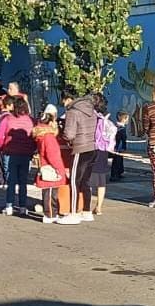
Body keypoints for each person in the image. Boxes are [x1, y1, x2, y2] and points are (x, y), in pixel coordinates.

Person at [59, 88, 97, 224]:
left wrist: (65, 136)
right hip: (92, 147)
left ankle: (73, 213)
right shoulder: (91, 110)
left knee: (74, 181)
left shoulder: (72, 112)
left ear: (67, 99)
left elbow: (69, 134)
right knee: (85, 181)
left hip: (79, 147)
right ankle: (86, 211)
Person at [0, 96, 35, 217]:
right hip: (26, 154)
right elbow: (34, 136)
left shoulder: (7, 119)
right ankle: (23, 207)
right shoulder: (31, 120)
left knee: (11, 180)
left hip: (11, 153)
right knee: (23, 181)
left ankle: (9, 206)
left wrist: (2, 147)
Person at [33, 105, 66, 224]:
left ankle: (51, 213)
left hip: (45, 167)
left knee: (48, 193)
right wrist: (60, 169)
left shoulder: (41, 135)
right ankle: (51, 214)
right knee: (52, 193)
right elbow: (53, 155)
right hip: (51, 168)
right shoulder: (49, 137)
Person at [90, 93, 111, 216]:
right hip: (103, 149)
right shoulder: (104, 118)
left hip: (92, 148)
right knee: (101, 180)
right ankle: (99, 206)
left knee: (88, 179)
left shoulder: (92, 117)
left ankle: (86, 205)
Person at [110, 111, 128, 182]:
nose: (127, 121)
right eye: (127, 119)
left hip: (116, 146)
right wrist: (124, 147)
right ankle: (114, 175)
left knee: (119, 160)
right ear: (124, 119)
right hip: (118, 147)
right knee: (116, 161)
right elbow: (123, 139)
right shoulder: (121, 128)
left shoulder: (116, 126)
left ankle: (119, 172)